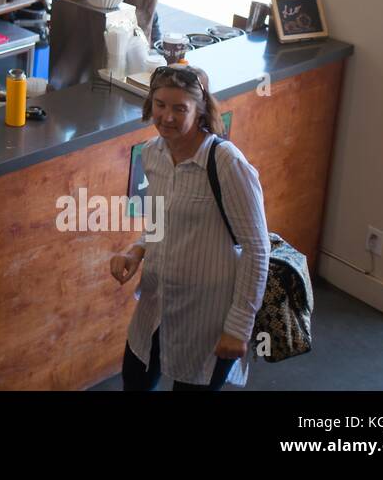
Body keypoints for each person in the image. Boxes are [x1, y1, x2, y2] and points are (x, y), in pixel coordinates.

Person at [108, 64, 269, 390]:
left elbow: (257, 248)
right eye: (160, 105)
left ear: (200, 111)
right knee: (134, 382)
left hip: (207, 315)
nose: (166, 116)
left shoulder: (226, 162)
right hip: (156, 304)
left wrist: (238, 326)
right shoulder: (152, 154)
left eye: (180, 108)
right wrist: (137, 251)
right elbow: (158, 219)